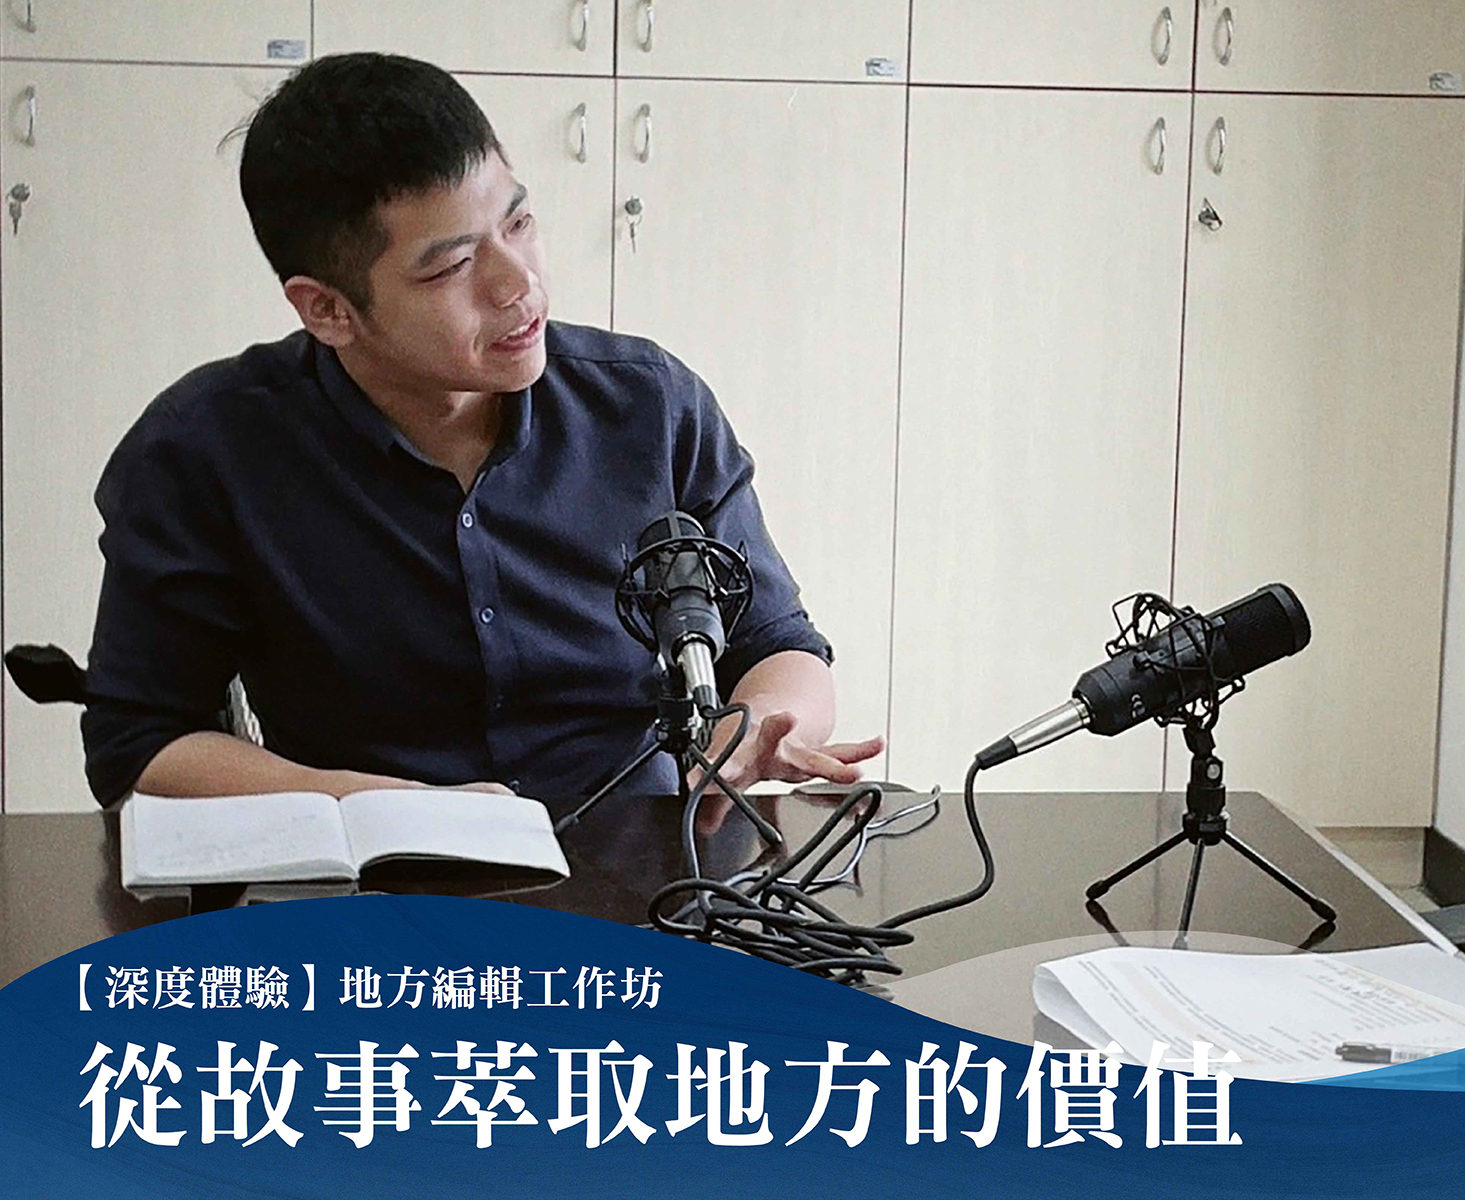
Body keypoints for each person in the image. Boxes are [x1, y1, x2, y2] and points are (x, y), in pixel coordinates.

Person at [80, 53, 880, 834]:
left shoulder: (648, 406)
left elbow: (778, 644)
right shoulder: (204, 452)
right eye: (454, 265)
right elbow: (140, 743)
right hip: (382, 879)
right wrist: (377, 804)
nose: (516, 283)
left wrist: (762, 724)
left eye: (519, 223)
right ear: (327, 310)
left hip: (651, 868)